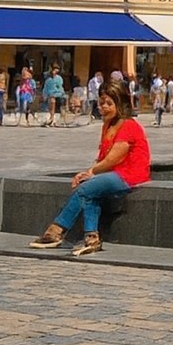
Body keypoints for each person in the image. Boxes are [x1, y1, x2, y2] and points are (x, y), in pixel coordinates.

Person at [28, 80, 150, 257]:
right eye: (101, 103)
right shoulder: (108, 125)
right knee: (90, 194)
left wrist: (91, 172)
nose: (104, 107)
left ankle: (56, 231)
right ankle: (91, 239)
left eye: (109, 103)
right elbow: (103, 158)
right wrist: (88, 173)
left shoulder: (129, 125)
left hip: (130, 175)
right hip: (114, 174)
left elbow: (114, 157)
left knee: (85, 189)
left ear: (120, 104)